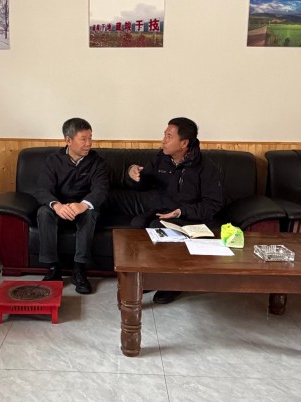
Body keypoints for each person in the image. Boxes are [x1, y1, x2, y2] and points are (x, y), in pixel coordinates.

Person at [126, 117, 224, 304]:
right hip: (163, 211)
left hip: (190, 216)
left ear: (184, 143)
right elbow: (142, 184)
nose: (163, 140)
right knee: (137, 224)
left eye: (169, 137)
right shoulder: (161, 159)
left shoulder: (205, 167)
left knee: (157, 226)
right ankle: (151, 277)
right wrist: (133, 173)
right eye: (164, 135)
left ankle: (172, 283)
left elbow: (212, 204)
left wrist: (181, 212)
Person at [33, 117, 110, 294]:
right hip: (60, 208)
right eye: (83, 139)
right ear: (68, 140)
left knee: (91, 213)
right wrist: (57, 206)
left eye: (90, 138)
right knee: (43, 212)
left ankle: (80, 269)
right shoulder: (53, 161)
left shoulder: (97, 162)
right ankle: (53, 268)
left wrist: (83, 205)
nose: (89, 143)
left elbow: (101, 189)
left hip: (83, 208)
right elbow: (42, 189)